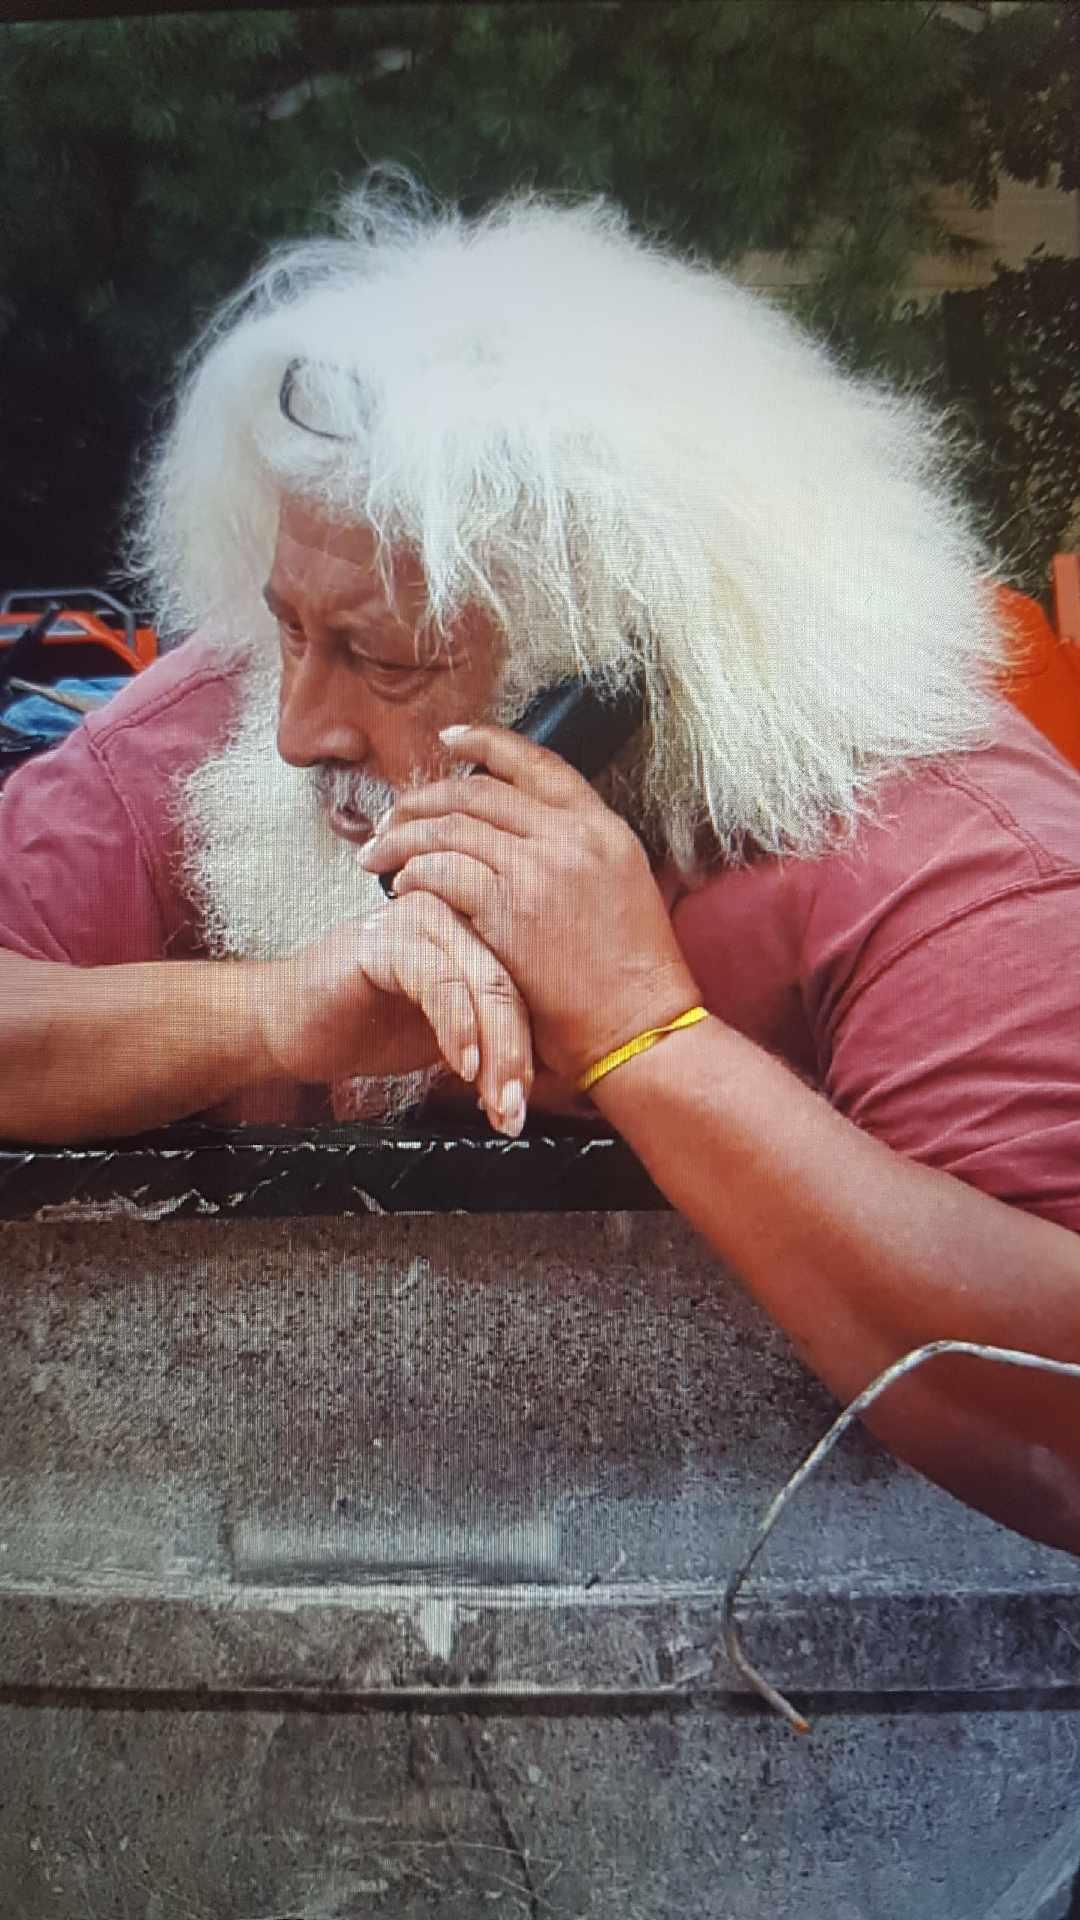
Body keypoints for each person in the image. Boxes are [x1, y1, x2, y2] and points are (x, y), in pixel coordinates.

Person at [1, 173, 1078, 1550]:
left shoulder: (941, 836)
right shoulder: (209, 741)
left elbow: (1065, 1410)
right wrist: (268, 1011)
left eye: (384, 660)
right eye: (287, 630)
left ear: (619, 676)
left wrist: (651, 1040)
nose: (294, 726)